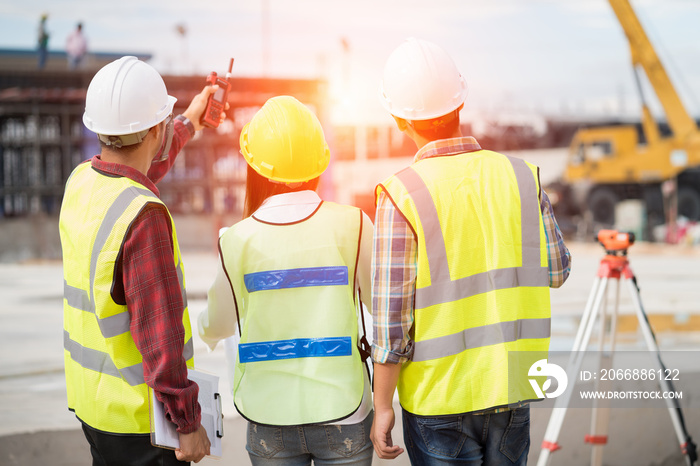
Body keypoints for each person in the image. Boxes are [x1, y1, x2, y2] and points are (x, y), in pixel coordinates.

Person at [369, 38, 572, 465]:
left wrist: (383, 405)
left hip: (440, 400)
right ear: (461, 101)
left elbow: (392, 324)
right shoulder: (521, 176)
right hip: (513, 388)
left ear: (398, 118)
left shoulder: (401, 194)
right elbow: (556, 270)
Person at [59, 55, 227, 465]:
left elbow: (139, 165)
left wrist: (190, 119)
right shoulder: (145, 215)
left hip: (95, 408)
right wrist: (187, 424)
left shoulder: (82, 181)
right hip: (141, 425)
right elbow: (161, 334)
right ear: (155, 129)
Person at [198, 95, 375, 465]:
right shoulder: (354, 224)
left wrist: (207, 330)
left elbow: (216, 325)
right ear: (318, 163)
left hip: (268, 412)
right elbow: (380, 306)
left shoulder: (235, 239)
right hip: (344, 407)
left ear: (256, 167)